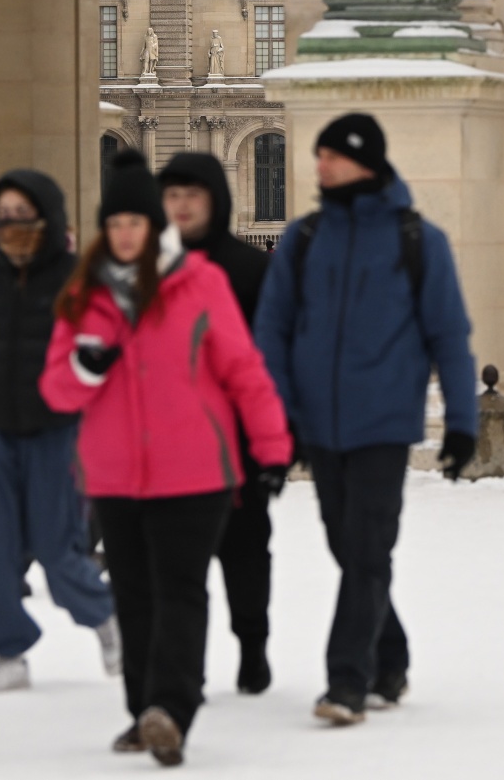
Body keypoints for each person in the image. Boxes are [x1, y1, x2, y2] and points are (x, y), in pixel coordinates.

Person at [40, 150, 292, 767]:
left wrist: (272, 446)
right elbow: (54, 387)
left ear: (156, 228)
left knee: (180, 590)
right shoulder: (85, 292)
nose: (126, 233)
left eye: (138, 222)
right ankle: (141, 711)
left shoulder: (199, 283)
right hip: (117, 474)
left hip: (196, 469)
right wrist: (83, 368)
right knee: (134, 595)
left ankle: (172, 709)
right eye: (116, 222)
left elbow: (244, 370)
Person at [254, 113, 480, 726]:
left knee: (367, 547)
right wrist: (274, 422)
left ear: (366, 162)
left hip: (382, 423)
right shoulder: (301, 238)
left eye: (333, 155)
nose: (320, 165)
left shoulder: (417, 240)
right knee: (351, 547)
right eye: (319, 154)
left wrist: (463, 422)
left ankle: (346, 681)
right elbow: (270, 336)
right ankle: (393, 655)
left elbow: (449, 336)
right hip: (317, 424)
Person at [0, 170, 119, 695]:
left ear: (47, 219)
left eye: (23, 216)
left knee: (58, 547)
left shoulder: (77, 281)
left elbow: (99, 350)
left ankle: (109, 620)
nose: (13, 227)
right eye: (4, 217)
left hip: (56, 432)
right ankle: (8, 650)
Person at [158, 150, 278, 696]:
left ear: (216, 200)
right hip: (164, 446)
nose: (182, 206)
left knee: (244, 554)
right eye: (173, 195)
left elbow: (271, 362)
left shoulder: (250, 269)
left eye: (193, 195)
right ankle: (184, 668)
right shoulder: (142, 270)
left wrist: (276, 442)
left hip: (235, 446)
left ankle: (252, 644)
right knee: (175, 568)